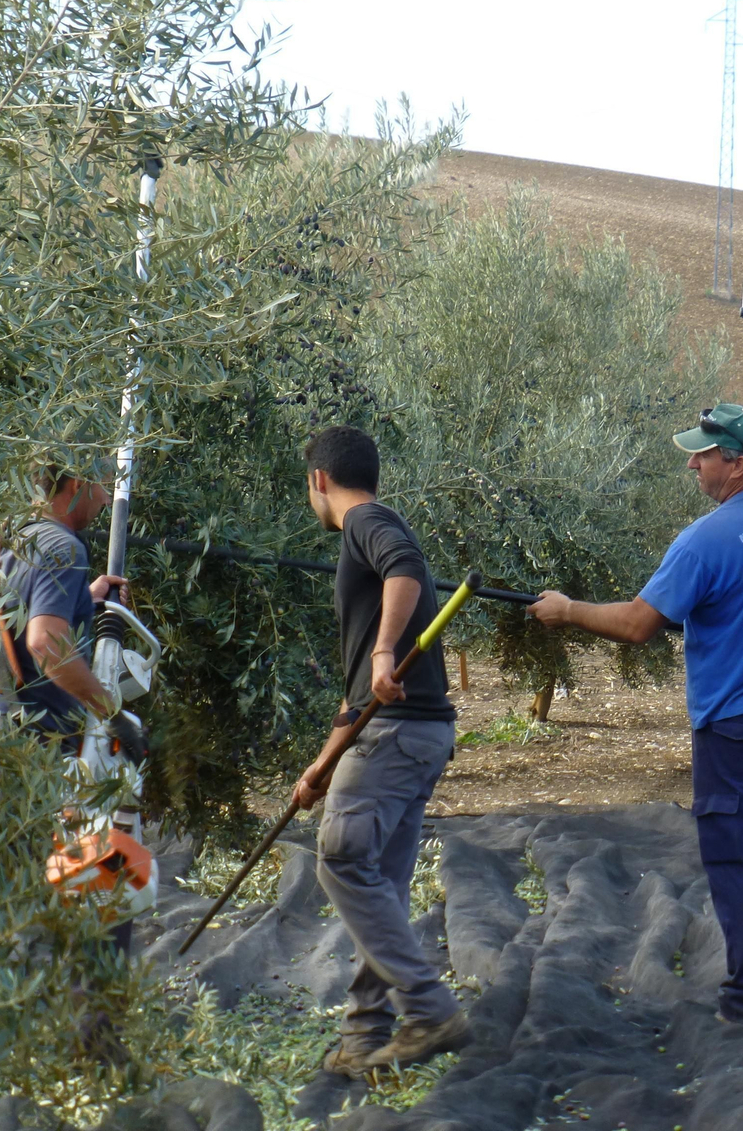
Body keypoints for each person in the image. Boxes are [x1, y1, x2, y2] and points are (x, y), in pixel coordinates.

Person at [529, 403, 743, 1027]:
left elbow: (638, 624)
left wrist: (567, 609)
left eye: (701, 453)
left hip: (734, 725)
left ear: (735, 461)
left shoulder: (704, 540)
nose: (693, 464)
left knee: (740, 860)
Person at [291, 426, 469, 1077]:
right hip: (413, 735)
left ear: (319, 480)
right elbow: (360, 699)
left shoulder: (367, 521)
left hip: (397, 738)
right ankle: (366, 1036)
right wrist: (320, 766)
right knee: (382, 884)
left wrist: (386, 648)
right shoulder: (370, 525)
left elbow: (407, 570)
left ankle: (428, 1009)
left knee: (340, 862)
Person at [0, 468, 133, 755]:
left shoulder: (10, 538)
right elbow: (45, 643)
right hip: (39, 751)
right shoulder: (64, 548)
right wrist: (113, 715)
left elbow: (20, 611)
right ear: (78, 484)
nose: (106, 500)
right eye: (104, 487)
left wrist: (81, 600)